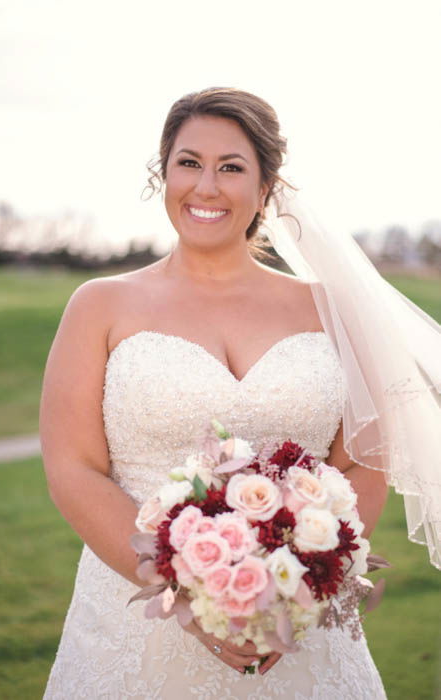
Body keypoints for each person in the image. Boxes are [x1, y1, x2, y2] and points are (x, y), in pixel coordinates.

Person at [40, 86, 393, 698]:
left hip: (299, 629)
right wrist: (189, 592)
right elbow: (74, 469)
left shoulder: (329, 310)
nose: (206, 186)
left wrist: (297, 585)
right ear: (163, 173)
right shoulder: (99, 305)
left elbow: (363, 460)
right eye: (188, 163)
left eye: (231, 168)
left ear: (265, 188)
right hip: (133, 624)